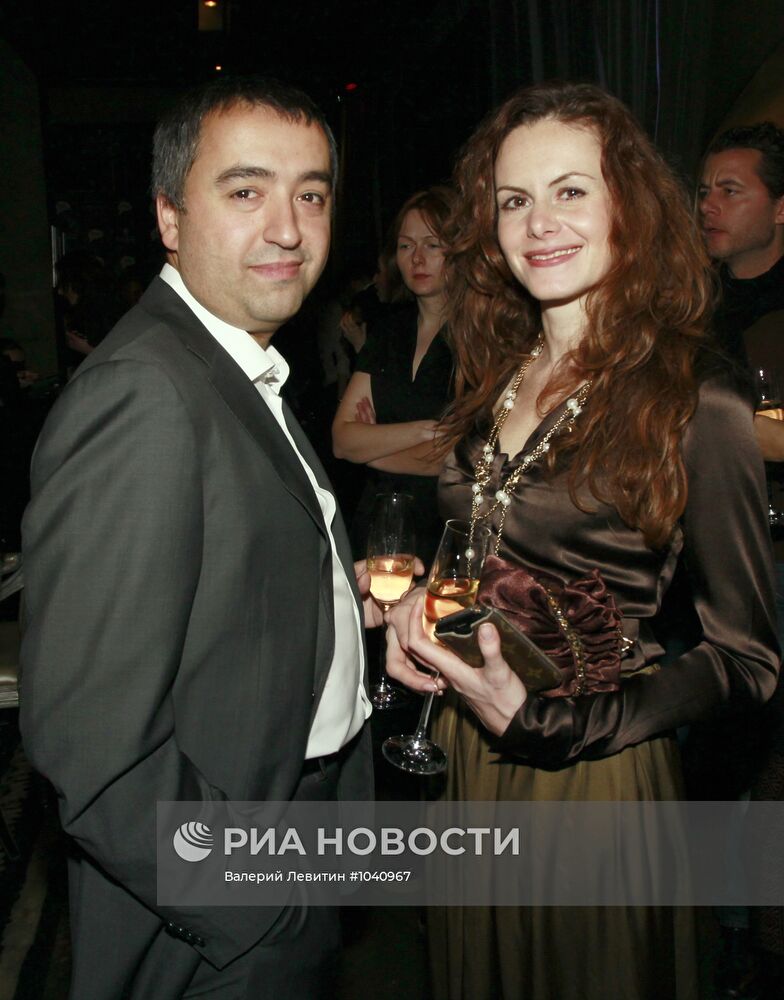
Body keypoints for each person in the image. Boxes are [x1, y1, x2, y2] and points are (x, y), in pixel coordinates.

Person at [385, 82, 780, 1000]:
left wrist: (566, 723)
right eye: (514, 200)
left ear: (628, 206)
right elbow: (491, 547)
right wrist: (424, 614)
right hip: (469, 748)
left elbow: (749, 659)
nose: (539, 224)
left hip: (589, 769)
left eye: (571, 190)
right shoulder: (501, 372)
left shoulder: (696, 397)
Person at [20, 76, 379, 1000]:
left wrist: (356, 619)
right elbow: (93, 747)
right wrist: (256, 903)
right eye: (246, 190)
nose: (289, 228)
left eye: (311, 194)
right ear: (169, 217)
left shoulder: (232, 361)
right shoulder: (145, 393)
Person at [699, 121, 784, 998]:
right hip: (699, 559)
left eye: (732, 189)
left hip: (776, 555)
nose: (710, 204)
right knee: (720, 753)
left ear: (781, 208)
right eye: (705, 190)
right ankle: (728, 935)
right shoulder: (693, 303)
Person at [332, 187, 455, 566]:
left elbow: (456, 461)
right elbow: (342, 441)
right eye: (405, 246)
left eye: (432, 244)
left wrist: (373, 449)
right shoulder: (388, 331)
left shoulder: (483, 338)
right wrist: (424, 430)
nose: (417, 258)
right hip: (377, 522)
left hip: (444, 529)